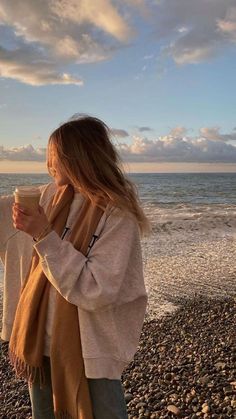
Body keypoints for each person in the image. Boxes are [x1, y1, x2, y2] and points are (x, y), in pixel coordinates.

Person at [0, 115, 150, 419]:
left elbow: (96, 289)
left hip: (90, 352)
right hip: (39, 342)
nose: (48, 165)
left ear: (78, 159)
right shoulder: (48, 197)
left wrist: (43, 235)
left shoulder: (117, 215)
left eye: (54, 157)